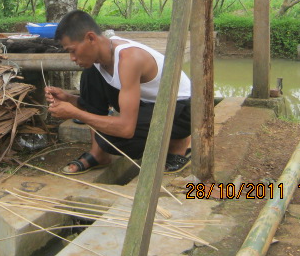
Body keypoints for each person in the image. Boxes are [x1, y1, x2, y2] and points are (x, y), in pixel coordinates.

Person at [45, 10, 192, 175]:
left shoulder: (129, 59)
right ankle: (98, 154)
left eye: (72, 50)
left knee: (110, 139)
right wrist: (68, 98)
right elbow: (91, 103)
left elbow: (125, 129)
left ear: (91, 38)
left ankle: (178, 141)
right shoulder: (101, 57)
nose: (72, 58)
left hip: (181, 109)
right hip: (148, 101)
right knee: (90, 73)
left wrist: (76, 114)